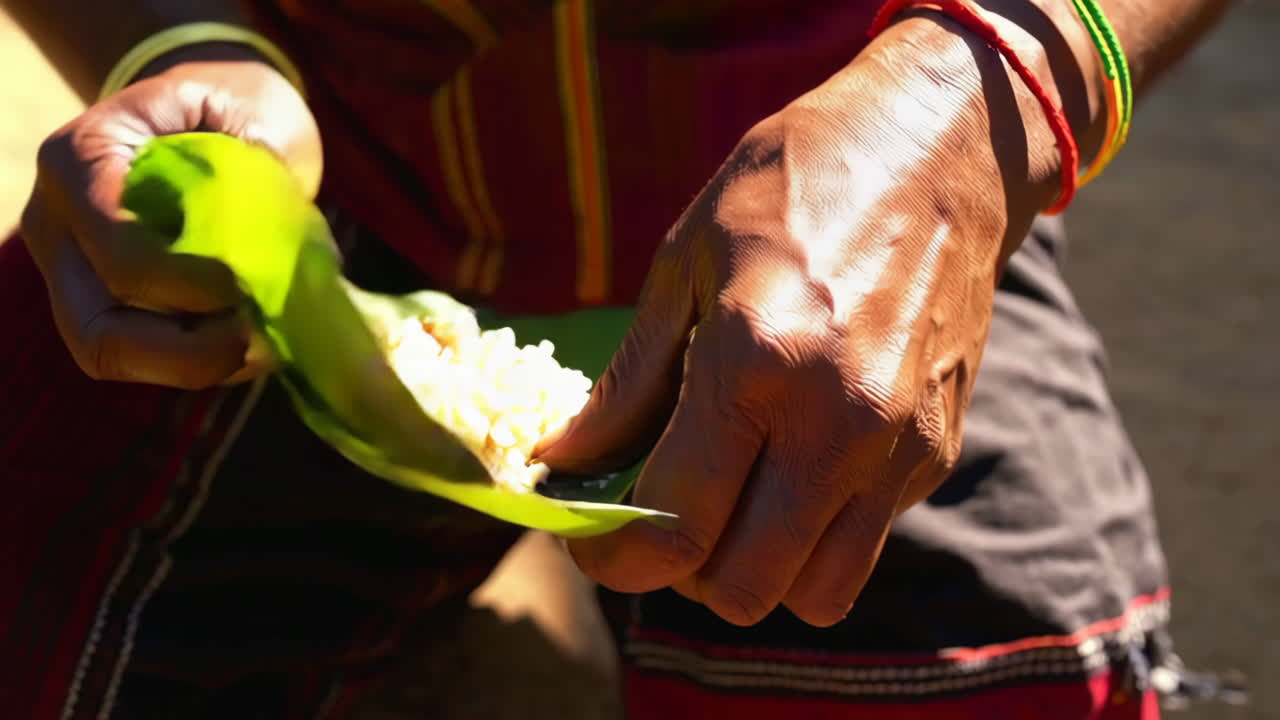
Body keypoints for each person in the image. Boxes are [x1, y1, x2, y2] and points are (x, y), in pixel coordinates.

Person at [1, 0, 1238, 717]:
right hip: (343, 179)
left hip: (866, 213)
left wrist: (976, 117)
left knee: (1017, 687)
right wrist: (183, 40)